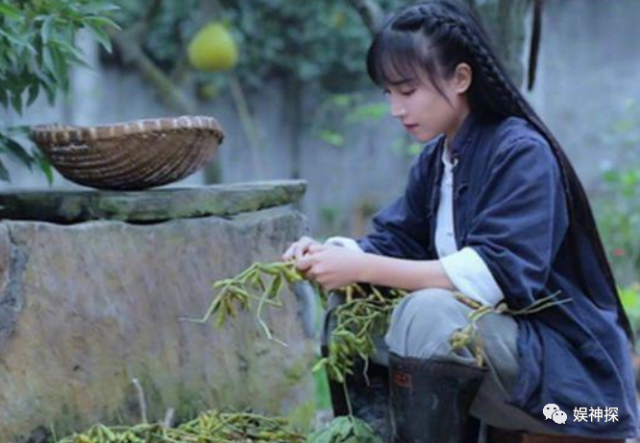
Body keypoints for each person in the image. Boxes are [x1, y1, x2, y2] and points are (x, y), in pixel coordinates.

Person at [282, 1, 638, 442]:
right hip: (516, 376)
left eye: (407, 90)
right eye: (388, 93)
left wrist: (361, 267)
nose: (396, 109)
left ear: (461, 78)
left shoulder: (521, 153)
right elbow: (395, 240)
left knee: (430, 314)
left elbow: (490, 277)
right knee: (354, 312)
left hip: (576, 403)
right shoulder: (437, 160)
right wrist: (332, 255)